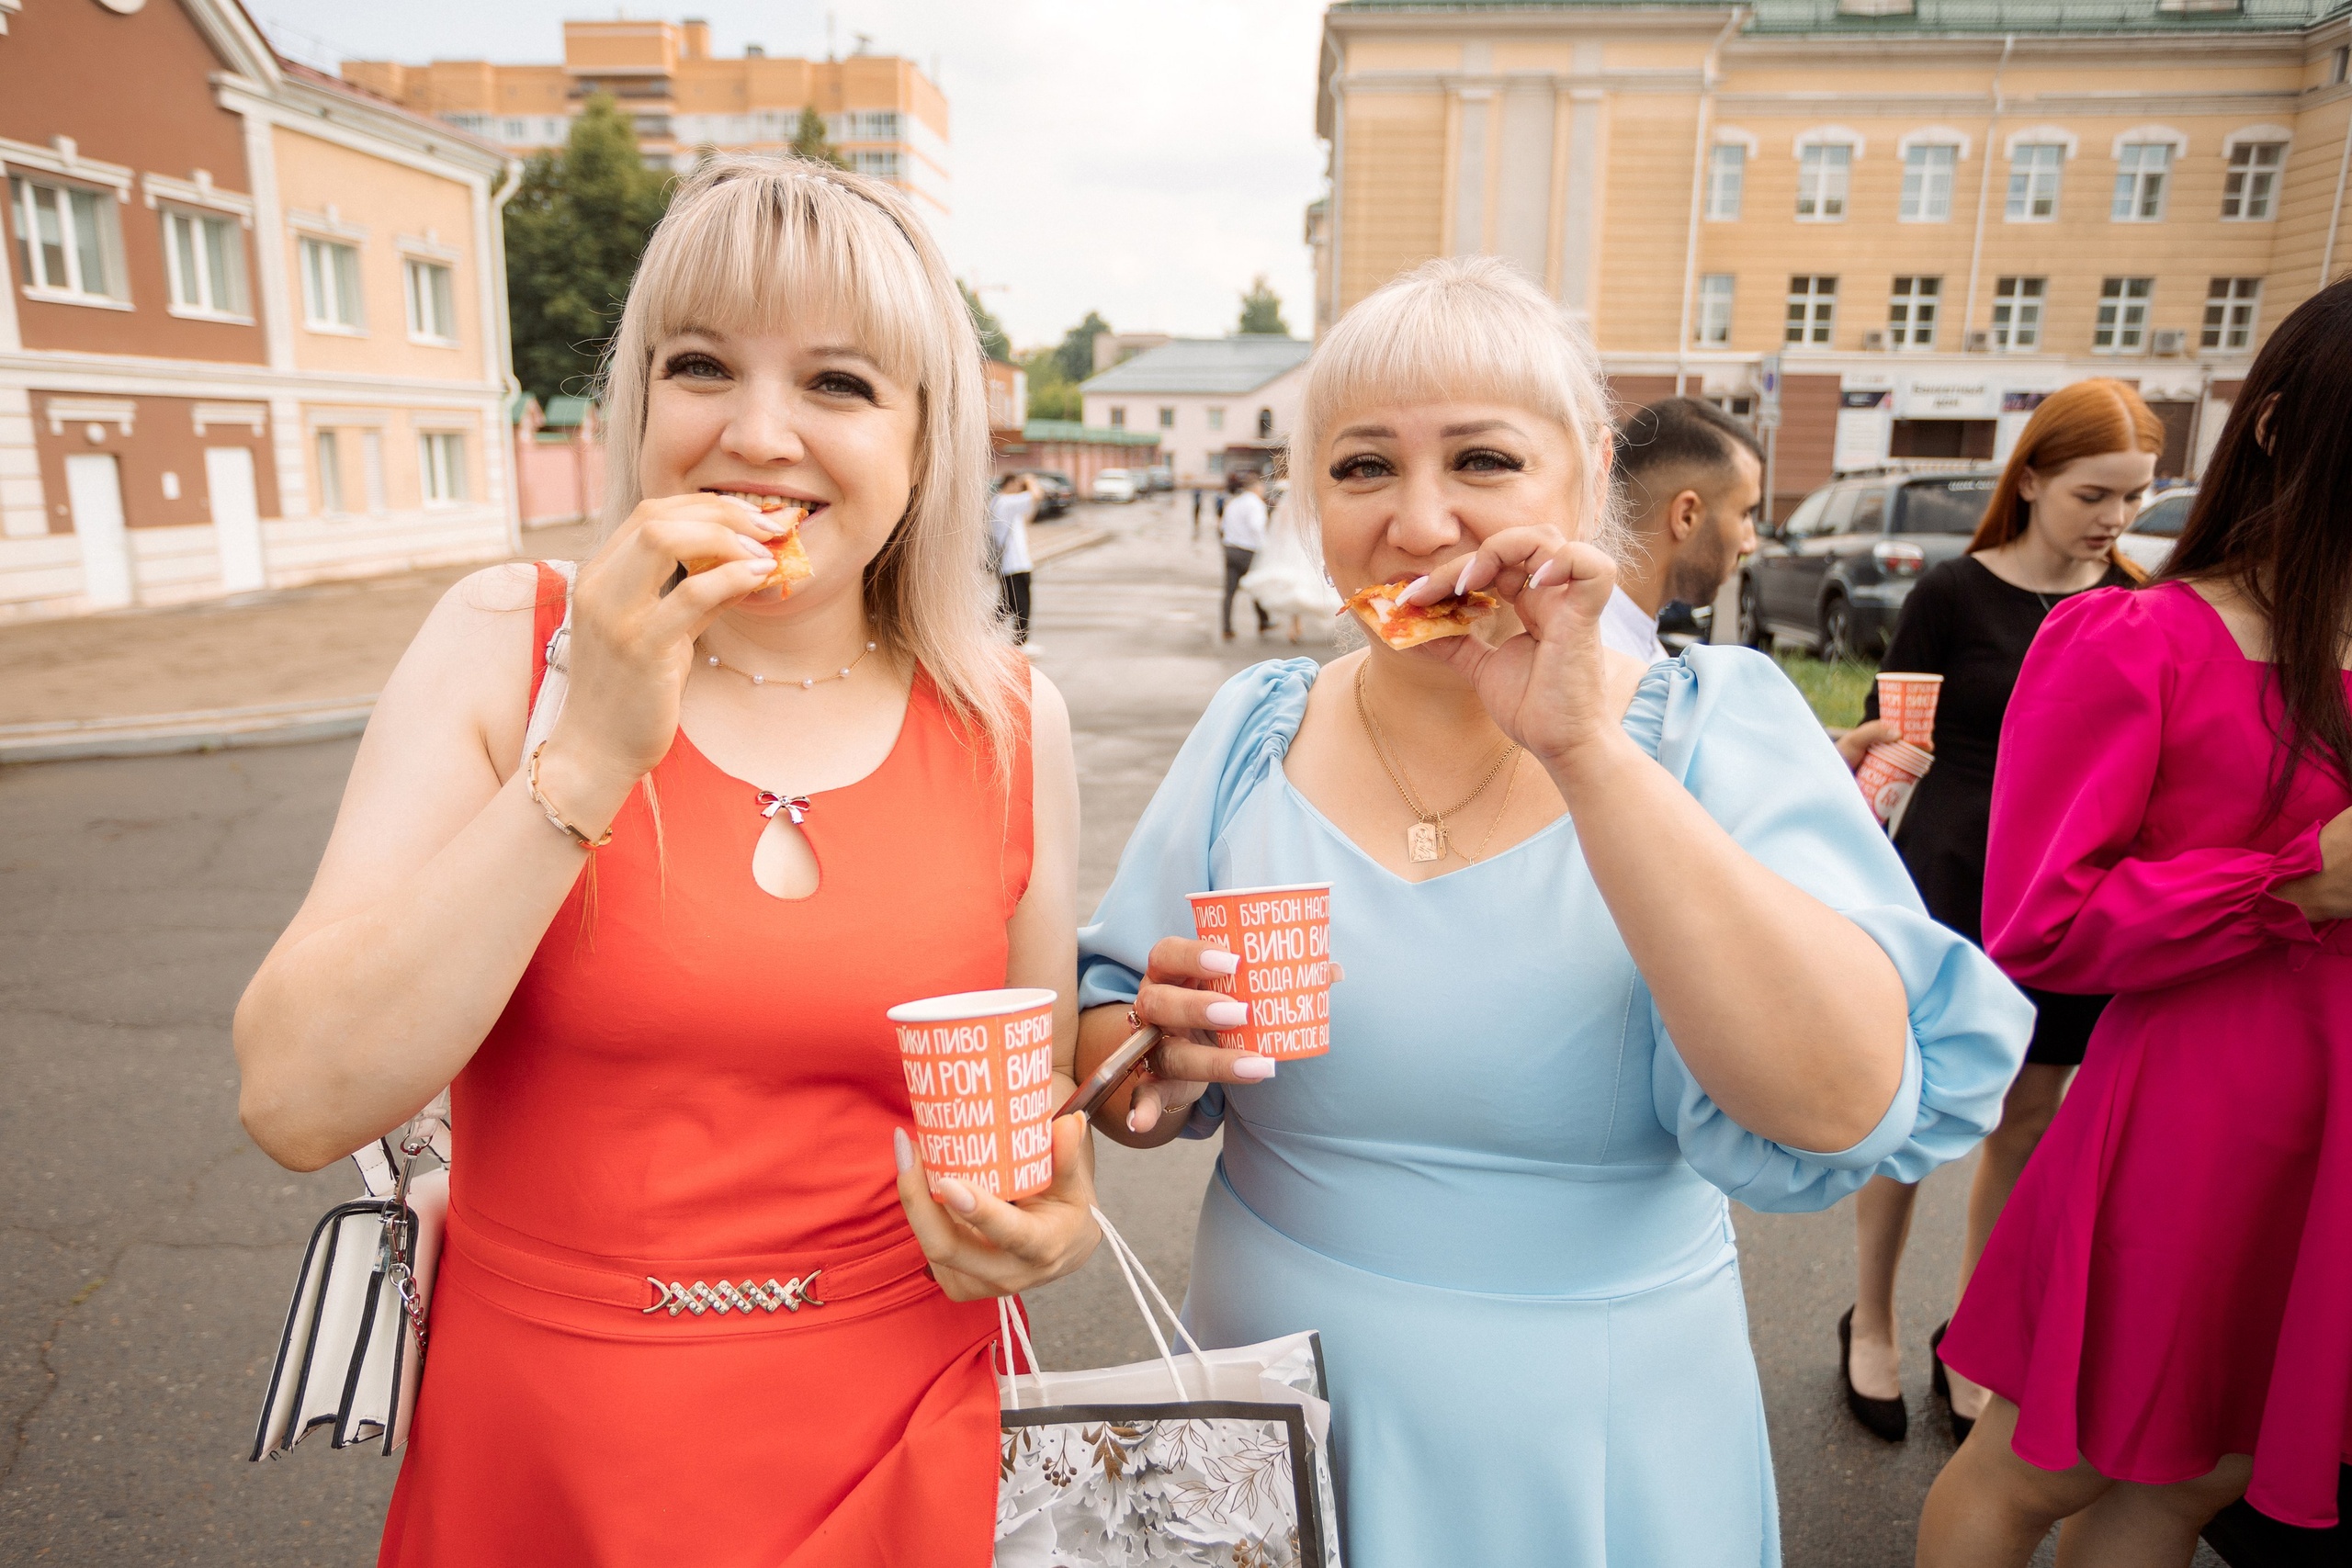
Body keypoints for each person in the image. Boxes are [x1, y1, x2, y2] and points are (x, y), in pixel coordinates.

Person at [1074, 255, 2030, 1564]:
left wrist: (1586, 748)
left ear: (1584, 476)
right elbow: (1116, 1036)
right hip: (1264, 1411)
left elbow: (1844, 1098)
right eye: (1363, 467)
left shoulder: (1712, 724)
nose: (1418, 522)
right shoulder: (1256, 728)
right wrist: (1147, 1066)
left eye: (1481, 458)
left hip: (1597, 1433)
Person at [232, 156, 1100, 1566]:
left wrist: (1046, 1219)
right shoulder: (505, 640)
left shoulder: (1010, 721)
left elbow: (1019, 1119)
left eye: (839, 383)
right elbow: (295, 1095)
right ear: (639, 403)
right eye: (702, 366)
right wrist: (581, 759)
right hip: (553, 1444)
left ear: (927, 440)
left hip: (907, 1438)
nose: (759, 435)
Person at [1918, 277, 2352, 1565]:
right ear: (2279, 425)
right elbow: (2043, 922)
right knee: (2041, 1469)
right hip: (2199, 1118)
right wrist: (2289, 883)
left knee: (2199, 1480)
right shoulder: (2139, 638)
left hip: (2333, 1134)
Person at [1828, 379, 2155, 1448]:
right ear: (2031, 481)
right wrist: (1872, 754)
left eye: (2133, 498)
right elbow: (1893, 733)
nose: (2113, 520)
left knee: (2025, 1119)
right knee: (1920, 1112)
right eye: (2092, 494)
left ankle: (1970, 1335)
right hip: (1953, 870)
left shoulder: (2143, 598)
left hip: (2072, 885)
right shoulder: (1950, 593)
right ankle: (1869, 1321)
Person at [1608, 396, 1765, 662]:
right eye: (1744, 514)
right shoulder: (1597, 660)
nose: (1750, 543)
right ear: (1686, 516)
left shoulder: (1634, 646)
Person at [1238, 479, 1342, 642]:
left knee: (1294, 583)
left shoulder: (1287, 506)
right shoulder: (1312, 507)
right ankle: (1327, 622)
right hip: (1307, 546)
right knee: (1314, 583)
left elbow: (1279, 528)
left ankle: (1295, 625)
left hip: (1292, 546)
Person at [1218, 468, 1274, 641]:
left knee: (1230, 591)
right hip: (1249, 551)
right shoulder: (1255, 503)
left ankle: (1227, 627)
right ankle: (1264, 621)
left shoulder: (1234, 502)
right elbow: (1256, 527)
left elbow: (1223, 526)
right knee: (1256, 586)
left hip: (1230, 549)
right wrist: (1265, 547)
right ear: (1256, 488)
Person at [990, 471, 1042, 655]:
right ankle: (1021, 642)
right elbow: (1037, 494)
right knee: (1022, 602)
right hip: (1015, 564)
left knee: (1007, 604)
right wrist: (1030, 479)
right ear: (1010, 483)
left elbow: (1029, 517)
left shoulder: (1000, 503)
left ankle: (983, 632)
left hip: (1011, 563)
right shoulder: (1006, 502)